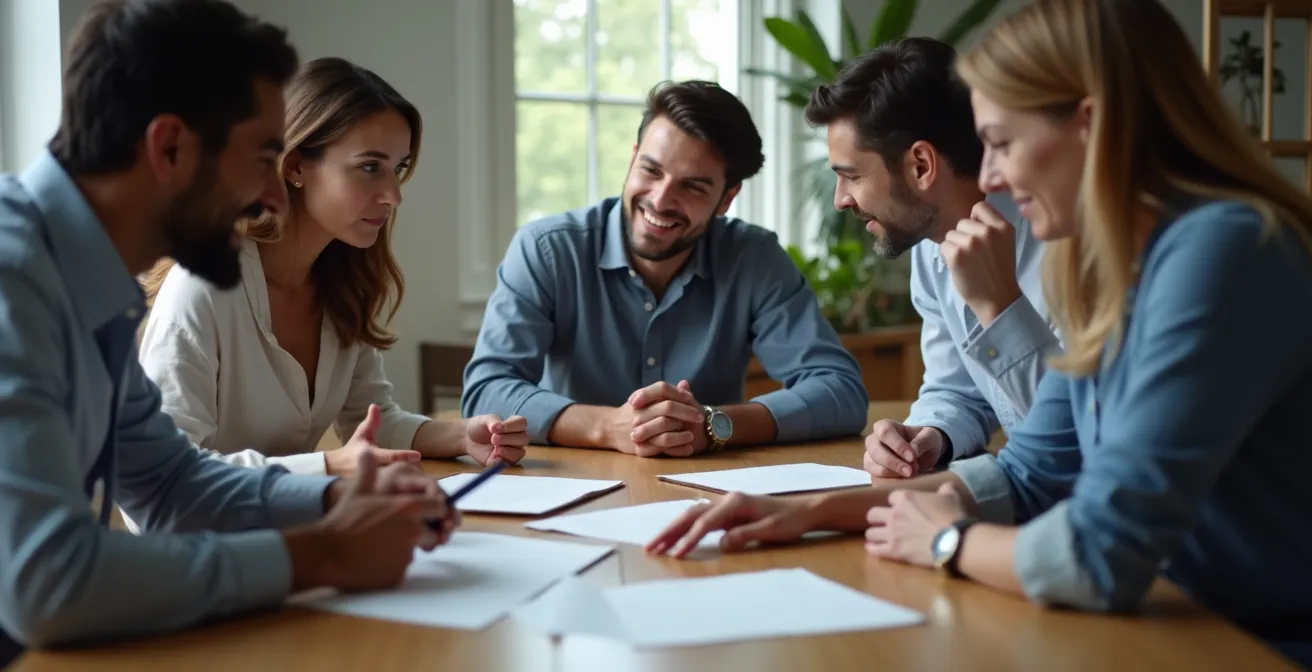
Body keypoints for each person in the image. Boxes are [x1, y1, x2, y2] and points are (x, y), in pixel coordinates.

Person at [646, 0, 1312, 664]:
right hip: (1165, 621)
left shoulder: (1224, 252)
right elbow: (1034, 471)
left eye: (1001, 143)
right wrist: (811, 511)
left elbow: (1099, 552)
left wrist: (949, 542)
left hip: (1251, 642)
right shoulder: (1123, 265)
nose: (987, 177)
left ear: (1089, 127)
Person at [0, 0, 457, 662]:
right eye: (263, 158)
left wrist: (339, 496)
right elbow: (49, 583)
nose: (274, 197)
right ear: (170, 148)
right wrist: (322, 553)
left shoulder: (88, 283)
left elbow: (166, 484)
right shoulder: (15, 281)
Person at [137, 56, 529, 484]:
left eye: (397, 168)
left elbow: (373, 421)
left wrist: (460, 435)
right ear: (295, 166)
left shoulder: (342, 286)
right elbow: (161, 475)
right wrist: (327, 464)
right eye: (369, 167)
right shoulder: (203, 288)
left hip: (296, 533)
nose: (394, 195)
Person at [462, 80, 868, 457]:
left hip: (705, 492)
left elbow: (841, 390)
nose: (660, 200)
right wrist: (609, 426)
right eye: (651, 170)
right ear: (632, 158)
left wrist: (710, 424)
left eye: (692, 186)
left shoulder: (754, 258)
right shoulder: (546, 250)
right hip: (571, 483)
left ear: (726, 200)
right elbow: (486, 392)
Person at [802, 37, 1060, 480]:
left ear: (920, 165)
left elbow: (1084, 436)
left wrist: (1002, 310)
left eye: (852, 176)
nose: (841, 200)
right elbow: (961, 390)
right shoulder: (930, 248)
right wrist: (928, 434)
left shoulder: (1066, 243)